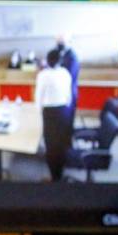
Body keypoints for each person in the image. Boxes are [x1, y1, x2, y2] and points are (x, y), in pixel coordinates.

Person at [36, 48, 75, 180]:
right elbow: (69, 96)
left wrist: (38, 111)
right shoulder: (65, 73)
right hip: (64, 111)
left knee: (51, 144)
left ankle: (54, 176)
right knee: (61, 142)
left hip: (49, 112)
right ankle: (60, 173)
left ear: (47, 61)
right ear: (60, 61)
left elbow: (39, 96)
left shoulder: (43, 75)